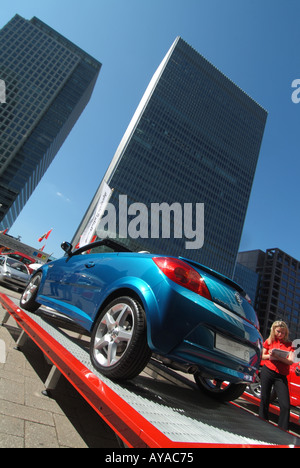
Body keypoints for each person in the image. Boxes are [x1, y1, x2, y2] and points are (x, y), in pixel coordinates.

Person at [259, 320, 294, 431]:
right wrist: (270, 355)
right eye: (278, 331)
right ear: (273, 331)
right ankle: (262, 422)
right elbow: (262, 356)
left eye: (283, 333)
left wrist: (278, 357)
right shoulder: (269, 341)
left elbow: (290, 361)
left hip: (281, 376)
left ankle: (283, 429)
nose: (280, 334)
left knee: (285, 405)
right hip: (268, 371)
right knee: (264, 398)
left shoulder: (289, 345)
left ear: (286, 333)